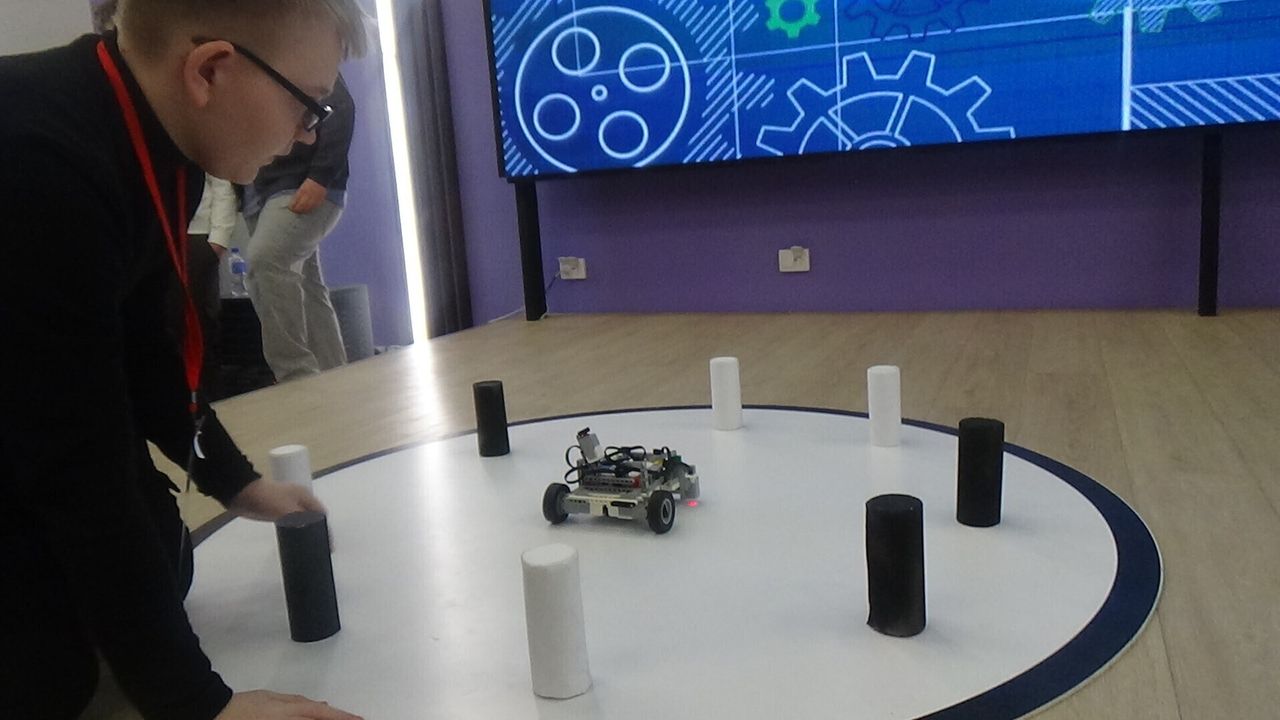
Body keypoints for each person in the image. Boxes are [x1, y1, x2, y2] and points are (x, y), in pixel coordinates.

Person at [0, 1, 370, 719]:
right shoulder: (39, 164)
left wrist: (235, 483)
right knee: (48, 674)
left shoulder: (163, 151)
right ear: (210, 71)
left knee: (164, 554)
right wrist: (203, 705)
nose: (307, 134)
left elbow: (145, 351)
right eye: (307, 105)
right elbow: (76, 461)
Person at [243, 73, 355, 383]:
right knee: (306, 284)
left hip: (298, 183)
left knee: (266, 260)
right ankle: (335, 378)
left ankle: (295, 377)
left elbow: (339, 106)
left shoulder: (287, 51)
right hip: (258, 191)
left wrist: (320, 176)